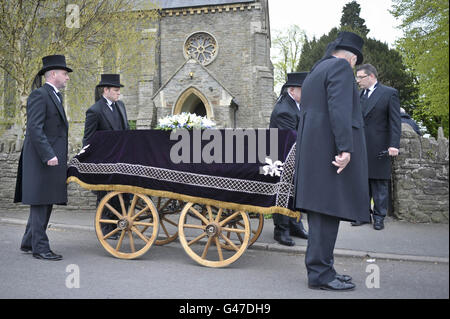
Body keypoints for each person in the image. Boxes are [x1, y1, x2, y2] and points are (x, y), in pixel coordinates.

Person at [294, 31, 369, 291]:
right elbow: (339, 109)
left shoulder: (318, 69)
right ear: (351, 58)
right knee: (326, 214)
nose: (353, 67)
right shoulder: (339, 67)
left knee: (322, 215)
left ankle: (324, 268)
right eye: (355, 63)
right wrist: (345, 148)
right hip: (329, 151)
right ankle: (320, 274)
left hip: (315, 151)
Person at [14, 54, 72, 261]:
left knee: (45, 202)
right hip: (42, 159)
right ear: (53, 74)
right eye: (65, 74)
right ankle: (40, 248)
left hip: (50, 159)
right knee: (41, 203)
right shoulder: (40, 95)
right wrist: (49, 154)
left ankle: (29, 242)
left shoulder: (55, 96)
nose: (67, 78)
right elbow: (34, 129)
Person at [353, 64, 401, 230]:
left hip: (380, 147)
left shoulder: (389, 93)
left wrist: (394, 145)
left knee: (380, 184)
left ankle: (379, 217)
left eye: (360, 77)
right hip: (361, 146)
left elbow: (395, 122)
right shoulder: (359, 96)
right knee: (362, 183)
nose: (357, 80)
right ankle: (363, 215)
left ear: (371, 76)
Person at [82, 74, 130, 239]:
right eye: (116, 90)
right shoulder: (95, 111)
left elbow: (126, 132)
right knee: (106, 196)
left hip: (121, 158)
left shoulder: (121, 106)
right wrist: (89, 160)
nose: (119, 93)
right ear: (106, 90)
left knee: (121, 195)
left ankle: (118, 224)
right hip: (104, 160)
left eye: (119, 91)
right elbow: (88, 138)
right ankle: (104, 228)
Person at [270, 72, 309, 246]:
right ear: (292, 90)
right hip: (283, 159)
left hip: (293, 158)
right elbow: (292, 139)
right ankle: (281, 230)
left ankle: (294, 224)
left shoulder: (296, 105)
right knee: (284, 194)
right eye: (304, 90)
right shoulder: (284, 110)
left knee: (295, 193)